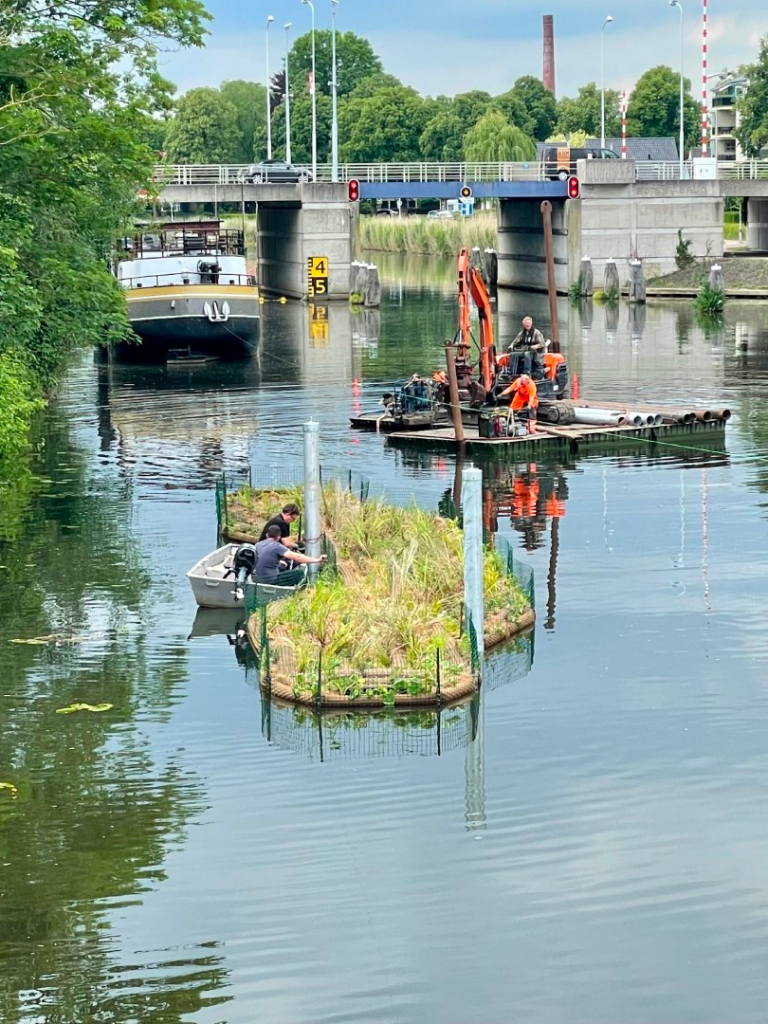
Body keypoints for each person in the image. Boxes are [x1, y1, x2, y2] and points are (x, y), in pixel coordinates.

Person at [253, 525, 326, 584]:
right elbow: (297, 557)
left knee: (282, 565)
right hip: (271, 580)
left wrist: (278, 561)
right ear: (278, 537)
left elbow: (262, 558)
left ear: (266, 535)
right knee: (299, 573)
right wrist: (317, 560)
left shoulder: (258, 544)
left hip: (256, 578)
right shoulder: (277, 546)